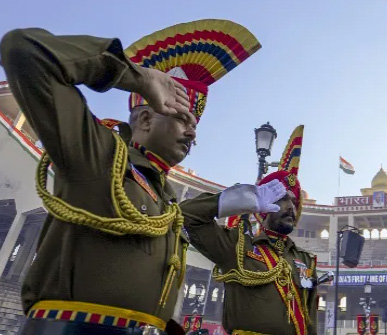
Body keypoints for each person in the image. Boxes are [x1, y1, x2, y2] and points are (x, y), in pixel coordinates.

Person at [0, 19, 263, 335]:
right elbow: (23, 49)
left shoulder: (165, 197)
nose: (193, 131)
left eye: (195, 124)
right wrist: (136, 77)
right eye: (183, 119)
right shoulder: (98, 153)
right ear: (146, 118)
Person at [179, 126, 319, 335]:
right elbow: (187, 215)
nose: (291, 206)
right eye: (282, 199)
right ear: (264, 206)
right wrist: (238, 201)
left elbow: (310, 321)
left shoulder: (306, 260)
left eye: (294, 201)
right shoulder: (237, 245)